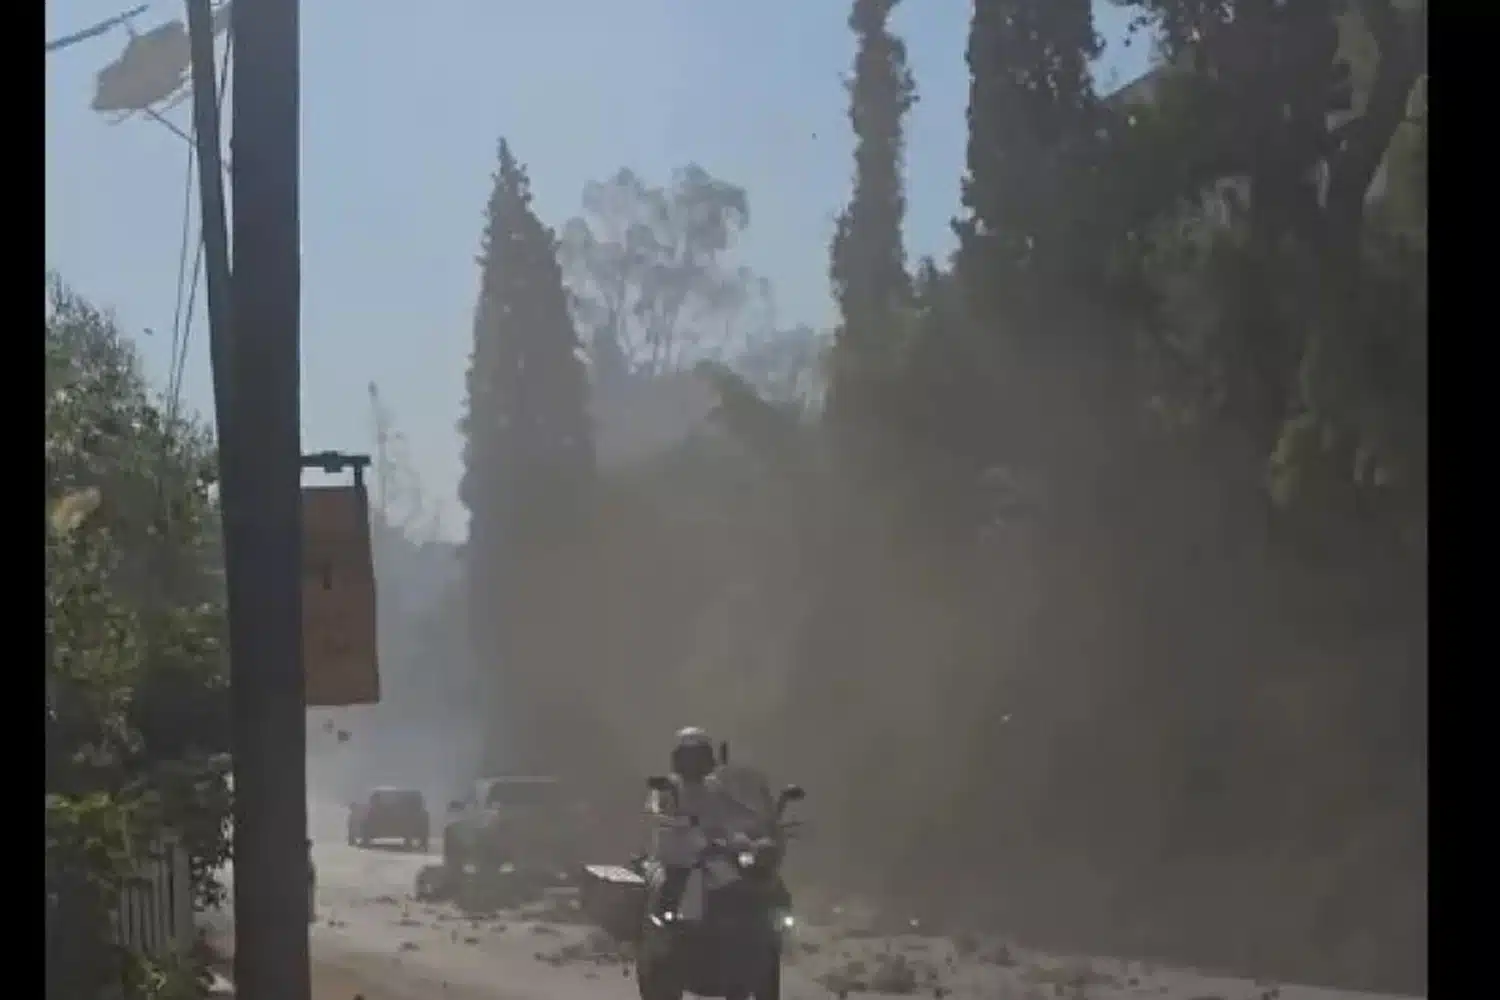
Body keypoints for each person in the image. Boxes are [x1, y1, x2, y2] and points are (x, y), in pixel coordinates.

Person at [651, 726, 729, 918]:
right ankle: (664, 922)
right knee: (670, 891)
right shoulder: (667, 786)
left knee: (735, 883)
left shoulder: (714, 786)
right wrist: (682, 821)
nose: (694, 763)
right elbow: (653, 814)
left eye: (699, 756)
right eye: (689, 757)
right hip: (675, 857)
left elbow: (728, 814)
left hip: (709, 856)